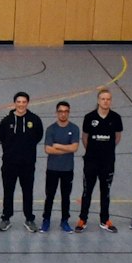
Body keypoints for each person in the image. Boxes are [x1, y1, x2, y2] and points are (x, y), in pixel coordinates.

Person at [0, 91, 41, 232]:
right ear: (14, 103)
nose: (21, 104)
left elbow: (38, 136)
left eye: (24, 102)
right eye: (18, 102)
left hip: (27, 164)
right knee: (8, 191)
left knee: (28, 191)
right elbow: (0, 137)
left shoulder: (35, 119)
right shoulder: (6, 121)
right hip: (9, 163)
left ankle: (29, 219)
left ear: (27, 103)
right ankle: (6, 218)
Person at [78, 88, 123, 232]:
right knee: (87, 191)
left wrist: (107, 150)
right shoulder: (89, 117)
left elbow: (117, 137)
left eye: (108, 99)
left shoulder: (116, 118)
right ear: (98, 100)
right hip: (91, 161)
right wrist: (92, 151)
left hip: (108, 162)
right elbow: (85, 137)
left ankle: (104, 220)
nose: (106, 101)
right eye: (103, 99)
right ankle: (82, 219)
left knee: (106, 192)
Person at [42, 100, 79, 233]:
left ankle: (64, 221)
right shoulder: (51, 129)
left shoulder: (74, 128)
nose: (63, 114)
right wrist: (66, 149)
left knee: (66, 197)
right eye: (60, 111)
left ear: (69, 112)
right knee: (50, 196)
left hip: (67, 169)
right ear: (57, 113)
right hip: (52, 169)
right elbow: (48, 149)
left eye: (66, 111)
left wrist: (57, 145)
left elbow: (75, 147)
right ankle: (46, 220)